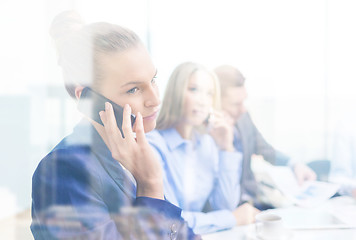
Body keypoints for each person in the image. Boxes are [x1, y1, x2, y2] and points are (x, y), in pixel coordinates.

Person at [31, 11, 200, 240]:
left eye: (153, 80)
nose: (155, 99)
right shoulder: (62, 170)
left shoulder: (132, 153)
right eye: (134, 89)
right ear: (88, 99)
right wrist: (150, 186)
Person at [146, 62, 260, 235]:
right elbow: (170, 221)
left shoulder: (207, 144)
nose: (202, 100)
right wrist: (232, 218)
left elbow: (225, 206)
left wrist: (226, 148)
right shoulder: (154, 145)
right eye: (193, 90)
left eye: (209, 94)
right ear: (175, 92)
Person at [213, 65, 317, 209]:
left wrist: (294, 164)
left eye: (244, 101)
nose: (243, 109)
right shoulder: (204, 136)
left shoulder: (243, 118)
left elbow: (265, 149)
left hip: (254, 201)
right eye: (236, 104)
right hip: (226, 209)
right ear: (214, 103)